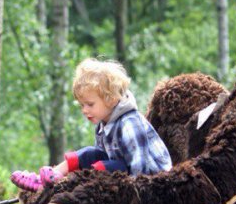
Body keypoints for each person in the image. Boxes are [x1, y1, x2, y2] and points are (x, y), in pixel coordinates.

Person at [10, 58, 172, 192]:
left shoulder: (129, 123)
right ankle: (49, 178)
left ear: (110, 99)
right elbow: (100, 155)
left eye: (90, 104)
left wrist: (133, 193)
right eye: (82, 105)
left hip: (152, 178)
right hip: (123, 169)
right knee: (89, 153)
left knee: (109, 166)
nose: (84, 110)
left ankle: (76, 186)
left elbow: (140, 166)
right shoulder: (103, 124)